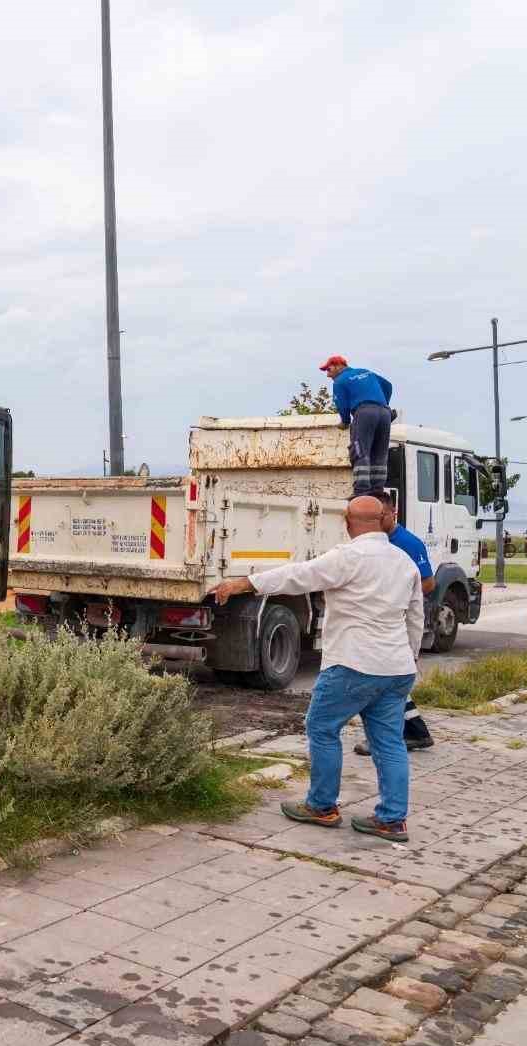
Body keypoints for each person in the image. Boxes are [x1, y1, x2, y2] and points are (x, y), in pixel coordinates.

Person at [208, 494, 422, 842]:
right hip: (395, 667)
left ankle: (322, 806)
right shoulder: (404, 561)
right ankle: (392, 819)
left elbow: (297, 576)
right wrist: (409, 660)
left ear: (348, 523)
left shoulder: (347, 557)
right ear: (383, 519)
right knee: (389, 743)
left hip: (353, 663)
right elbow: (416, 617)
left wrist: (242, 583)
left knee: (322, 728)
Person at [354, 491, 435, 755]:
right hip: (377, 621)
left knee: (379, 681)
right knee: (387, 684)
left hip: (396, 622)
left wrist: (394, 597)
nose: (377, 521)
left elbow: (428, 583)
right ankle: (415, 732)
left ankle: (393, 737)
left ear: (393, 513)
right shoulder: (369, 544)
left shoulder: (408, 543)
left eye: (382, 516)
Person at [322, 355, 394, 495]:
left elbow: (341, 404)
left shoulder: (340, 381)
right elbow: (388, 385)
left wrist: (345, 421)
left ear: (338, 366)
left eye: (329, 370)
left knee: (360, 451)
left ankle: (361, 490)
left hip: (365, 412)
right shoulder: (365, 371)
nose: (328, 374)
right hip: (385, 413)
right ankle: (377, 490)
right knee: (379, 453)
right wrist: (383, 403)